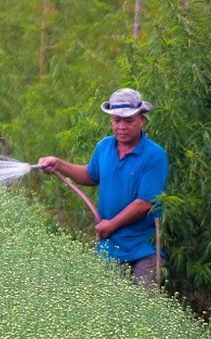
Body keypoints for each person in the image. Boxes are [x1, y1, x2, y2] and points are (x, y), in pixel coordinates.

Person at [37, 87, 169, 285]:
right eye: (117, 120)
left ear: (141, 120)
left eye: (129, 120)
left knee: (145, 305)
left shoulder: (153, 155)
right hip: (109, 246)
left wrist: (111, 225)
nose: (121, 127)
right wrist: (59, 164)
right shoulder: (104, 147)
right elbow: (90, 175)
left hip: (143, 248)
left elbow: (145, 203)